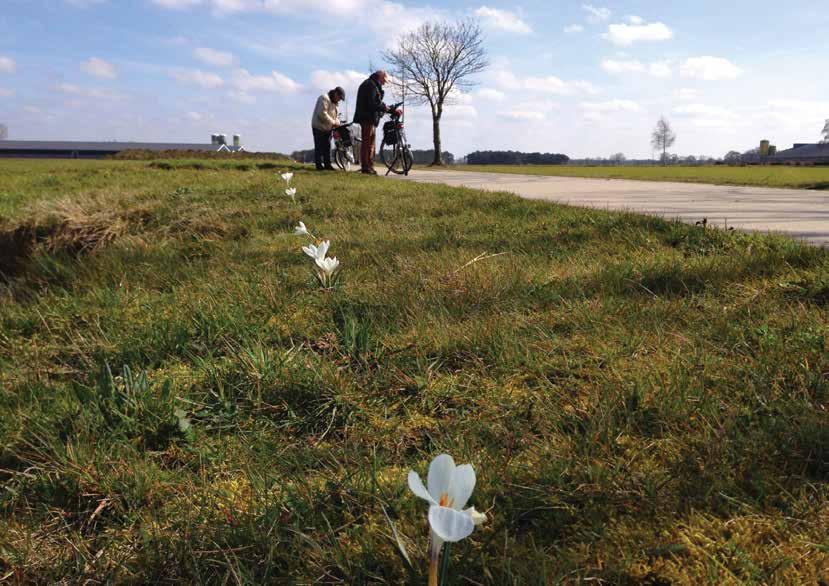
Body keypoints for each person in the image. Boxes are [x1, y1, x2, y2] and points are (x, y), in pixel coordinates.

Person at [353, 70, 395, 175]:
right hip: (367, 118)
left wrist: (387, 108)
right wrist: (384, 107)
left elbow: (376, 102)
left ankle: (369, 166)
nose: (384, 83)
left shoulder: (372, 84)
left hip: (369, 118)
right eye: (384, 80)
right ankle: (366, 167)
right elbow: (372, 103)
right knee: (367, 143)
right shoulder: (370, 85)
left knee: (370, 143)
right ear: (379, 77)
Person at [311, 86, 345, 171]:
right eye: (339, 98)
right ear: (335, 94)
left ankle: (327, 165)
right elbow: (322, 114)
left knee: (327, 147)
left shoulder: (335, 103)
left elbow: (335, 116)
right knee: (319, 147)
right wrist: (333, 122)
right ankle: (318, 165)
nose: (339, 100)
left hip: (327, 128)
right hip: (318, 126)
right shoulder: (324, 98)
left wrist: (338, 122)